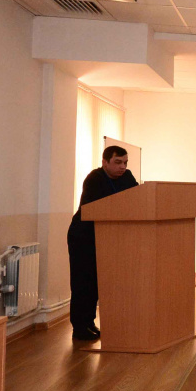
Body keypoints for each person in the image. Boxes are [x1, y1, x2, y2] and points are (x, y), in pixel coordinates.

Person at [67, 145, 139, 341]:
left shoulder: (127, 177)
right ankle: (79, 327)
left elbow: (137, 199)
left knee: (98, 282)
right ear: (105, 162)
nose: (122, 167)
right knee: (83, 281)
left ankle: (89, 322)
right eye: (118, 162)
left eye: (125, 163)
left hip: (107, 237)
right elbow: (95, 208)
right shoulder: (94, 178)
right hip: (83, 236)